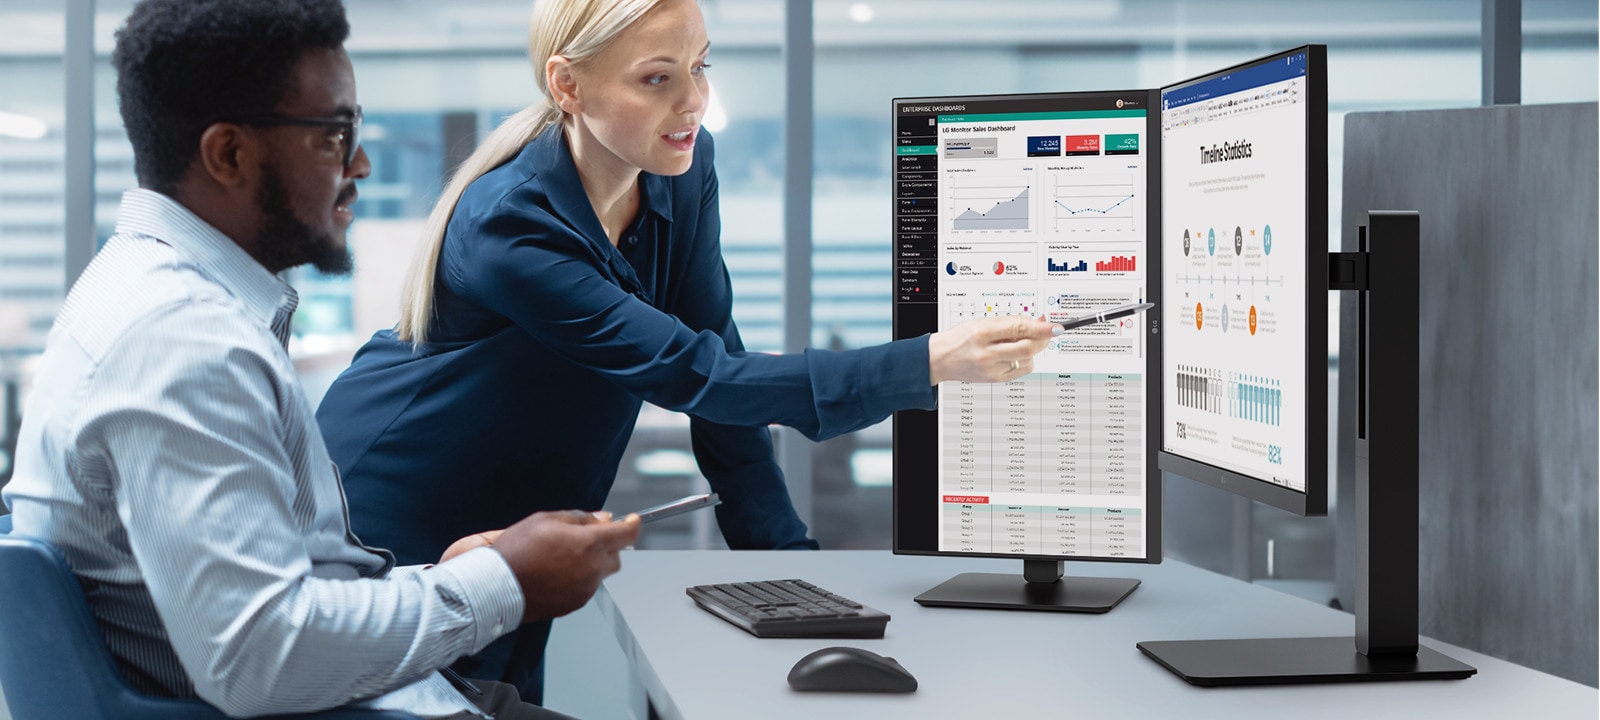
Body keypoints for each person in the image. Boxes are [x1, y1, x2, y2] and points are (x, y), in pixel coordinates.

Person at [313, 0, 1057, 703]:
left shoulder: (680, 173)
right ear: (568, 84)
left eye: (700, 66)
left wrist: (792, 576)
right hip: (396, 520)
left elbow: (718, 370)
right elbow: (697, 377)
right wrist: (923, 362)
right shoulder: (512, 225)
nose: (693, 102)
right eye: (657, 78)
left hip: (518, 529)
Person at [0, 1, 639, 718]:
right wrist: (501, 582)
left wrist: (448, 578)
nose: (360, 163)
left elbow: (270, 600)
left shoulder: (143, 288)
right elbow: (257, 658)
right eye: (334, 135)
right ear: (229, 154)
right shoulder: (182, 341)